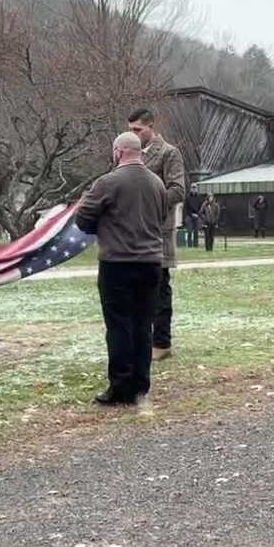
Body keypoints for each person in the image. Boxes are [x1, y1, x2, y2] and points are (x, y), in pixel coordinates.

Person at [75, 132, 167, 407]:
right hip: (151, 262)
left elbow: (83, 218)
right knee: (143, 325)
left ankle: (120, 387)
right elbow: (161, 217)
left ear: (118, 152)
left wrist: (101, 228)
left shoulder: (108, 182)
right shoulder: (157, 183)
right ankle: (141, 385)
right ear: (139, 152)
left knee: (118, 325)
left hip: (118, 263)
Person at [128, 109, 186, 362]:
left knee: (159, 288)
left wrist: (148, 204)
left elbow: (178, 190)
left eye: (138, 130)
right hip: (133, 232)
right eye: (130, 130)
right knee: (138, 289)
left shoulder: (169, 153)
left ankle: (162, 343)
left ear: (151, 126)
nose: (133, 134)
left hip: (158, 230)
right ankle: (142, 340)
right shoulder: (131, 154)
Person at [185, 184, 204, 248]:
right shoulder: (187, 197)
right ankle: (189, 246)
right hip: (189, 215)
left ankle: (196, 245)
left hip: (197, 215)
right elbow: (186, 208)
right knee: (189, 231)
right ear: (190, 189)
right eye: (192, 188)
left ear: (196, 189)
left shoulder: (199, 197)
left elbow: (201, 207)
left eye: (195, 188)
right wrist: (191, 214)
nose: (194, 189)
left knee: (196, 231)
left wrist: (197, 214)